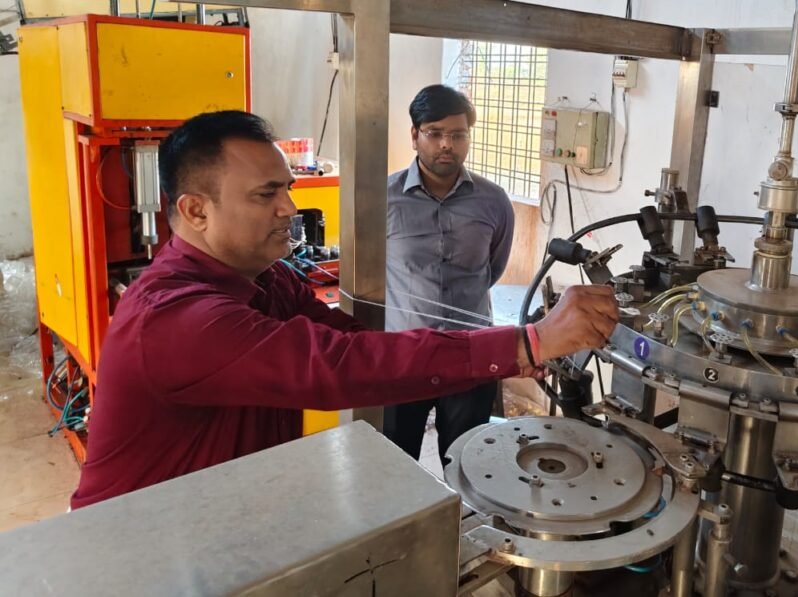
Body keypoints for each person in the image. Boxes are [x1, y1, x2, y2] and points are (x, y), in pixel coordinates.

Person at [70, 111, 617, 509]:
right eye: (266, 195)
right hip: (139, 547)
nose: (290, 208)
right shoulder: (175, 317)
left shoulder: (266, 279)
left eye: (287, 189)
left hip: (223, 518)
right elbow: (338, 367)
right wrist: (527, 343)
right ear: (195, 211)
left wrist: (510, 353)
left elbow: (355, 344)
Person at [382, 85, 515, 461]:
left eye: (458, 135)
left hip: (470, 355)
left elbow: (492, 268)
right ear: (414, 135)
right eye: (435, 133)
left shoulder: (493, 202)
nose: (446, 145)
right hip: (403, 356)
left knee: (466, 462)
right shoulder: (382, 199)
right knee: (395, 460)